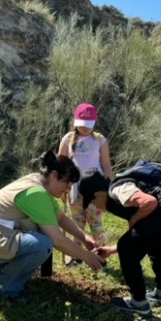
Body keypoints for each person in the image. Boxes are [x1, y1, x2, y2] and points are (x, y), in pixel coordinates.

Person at [0, 150, 106, 300]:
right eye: (67, 183)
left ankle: (5, 273)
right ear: (55, 175)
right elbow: (58, 241)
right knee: (43, 244)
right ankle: (7, 287)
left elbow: (60, 217)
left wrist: (85, 238)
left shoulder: (39, 182)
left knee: (43, 232)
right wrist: (86, 256)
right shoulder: (36, 193)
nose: (68, 189)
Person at [79, 171, 161, 317]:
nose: (94, 207)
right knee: (154, 245)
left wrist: (134, 221)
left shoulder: (118, 189)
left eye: (92, 203)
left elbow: (149, 202)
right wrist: (112, 249)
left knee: (127, 247)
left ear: (98, 195)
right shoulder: (115, 197)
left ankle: (139, 302)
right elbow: (142, 238)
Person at [58, 103, 114, 266]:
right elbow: (60, 163)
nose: (84, 129)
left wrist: (109, 188)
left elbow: (106, 165)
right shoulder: (68, 139)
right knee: (76, 223)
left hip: (96, 190)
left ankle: (101, 256)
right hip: (74, 188)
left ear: (94, 123)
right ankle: (77, 257)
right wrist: (62, 187)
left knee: (96, 223)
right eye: (81, 125)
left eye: (88, 126)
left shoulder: (99, 140)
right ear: (75, 122)